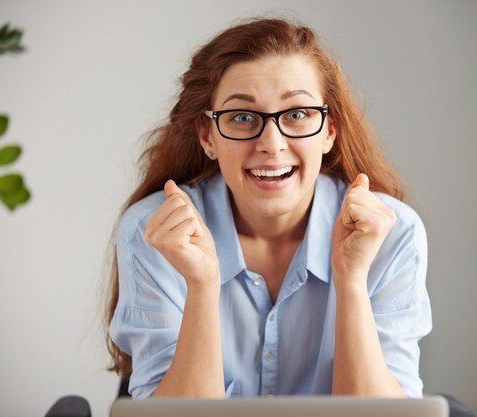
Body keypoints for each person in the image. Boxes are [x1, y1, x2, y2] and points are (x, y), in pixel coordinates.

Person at [105, 17, 431, 400]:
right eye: (242, 117)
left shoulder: (393, 233)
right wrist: (203, 285)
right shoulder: (155, 231)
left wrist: (353, 283)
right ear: (208, 136)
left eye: (296, 114)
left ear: (329, 131)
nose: (272, 144)